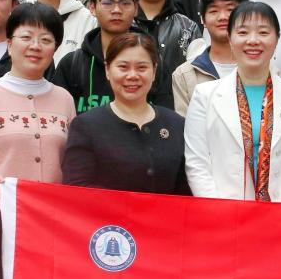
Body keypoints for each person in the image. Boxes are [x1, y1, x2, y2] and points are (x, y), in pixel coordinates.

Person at [184, 2, 281, 202]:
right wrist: (219, 211)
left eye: (263, 33)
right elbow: (197, 164)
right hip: (224, 211)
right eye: (243, 32)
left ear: (277, 39)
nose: (253, 41)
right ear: (230, 38)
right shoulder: (204, 95)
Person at [0, 3, 76, 189]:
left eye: (45, 40)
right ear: (9, 44)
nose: (35, 46)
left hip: (50, 205)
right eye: (26, 37)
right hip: (0, 201)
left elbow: (72, 159)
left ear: (55, 49)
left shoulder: (64, 99)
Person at [62, 33, 189, 194]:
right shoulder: (86, 126)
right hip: (104, 211)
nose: (132, 76)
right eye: (123, 67)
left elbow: (185, 190)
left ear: (154, 71)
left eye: (142, 67)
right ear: (108, 70)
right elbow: (76, 187)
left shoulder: (176, 124)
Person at [56, 0, 173, 112]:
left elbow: (164, 117)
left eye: (125, 3)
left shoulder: (153, 63)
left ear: (136, 8)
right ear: (92, 7)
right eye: (107, 3)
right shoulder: (72, 65)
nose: (116, 10)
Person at [172, 0, 247, 115]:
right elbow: (184, 123)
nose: (222, 17)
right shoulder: (185, 74)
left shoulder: (263, 68)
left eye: (230, 10)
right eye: (214, 11)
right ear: (203, 19)